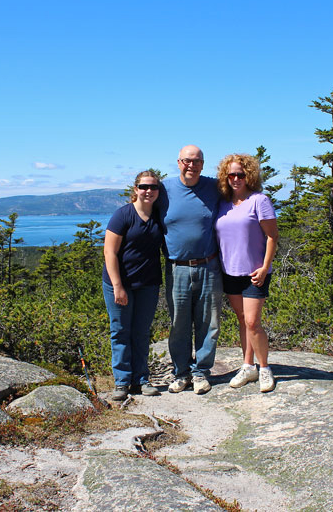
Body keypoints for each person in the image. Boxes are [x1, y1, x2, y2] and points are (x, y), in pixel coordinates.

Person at [157, 145, 222, 395]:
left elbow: (241, 194)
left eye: (196, 161)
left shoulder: (214, 188)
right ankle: (181, 373)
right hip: (177, 268)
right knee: (179, 324)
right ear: (178, 162)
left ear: (203, 164)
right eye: (186, 160)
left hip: (209, 266)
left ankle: (201, 373)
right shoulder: (164, 190)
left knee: (208, 323)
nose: (191, 165)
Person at [215, 153, 279, 392]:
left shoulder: (259, 201)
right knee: (243, 321)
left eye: (240, 174)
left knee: (253, 322)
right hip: (229, 272)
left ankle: (264, 368)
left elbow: (272, 236)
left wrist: (264, 267)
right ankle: (247, 366)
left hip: (255, 273)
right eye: (230, 174)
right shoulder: (223, 203)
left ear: (249, 176)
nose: (235, 179)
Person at [102, 171, 164, 401]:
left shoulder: (159, 215)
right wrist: (118, 286)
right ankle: (122, 382)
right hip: (120, 282)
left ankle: (141, 379)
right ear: (135, 189)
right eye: (143, 186)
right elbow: (110, 252)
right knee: (120, 331)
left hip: (147, 283)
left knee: (141, 332)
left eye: (153, 187)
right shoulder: (124, 215)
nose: (148, 191)